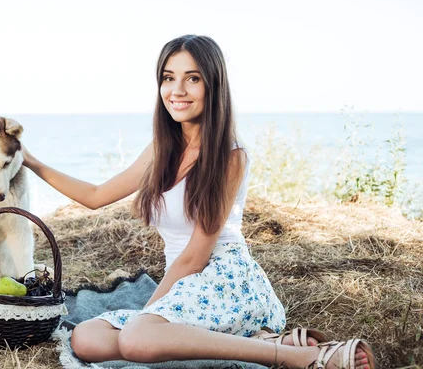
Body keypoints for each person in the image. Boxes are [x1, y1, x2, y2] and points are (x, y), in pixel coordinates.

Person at [22, 35, 375, 368]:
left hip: (224, 277)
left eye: (192, 79)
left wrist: (150, 311)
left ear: (213, 85)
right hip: (184, 281)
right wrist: (32, 162)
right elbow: (96, 197)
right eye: (168, 77)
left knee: (137, 338)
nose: (177, 91)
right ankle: (259, 342)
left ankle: (288, 356)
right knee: (86, 338)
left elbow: (196, 255)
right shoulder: (163, 148)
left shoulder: (230, 156)